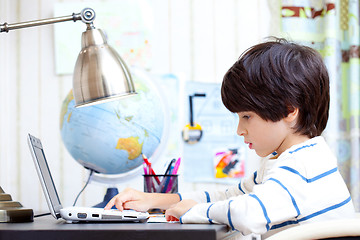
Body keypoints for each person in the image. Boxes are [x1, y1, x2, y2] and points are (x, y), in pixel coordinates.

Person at [105, 38, 355, 238]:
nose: (240, 130)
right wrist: (154, 200)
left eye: (247, 116)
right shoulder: (289, 160)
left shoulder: (303, 166)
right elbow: (230, 197)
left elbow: (249, 214)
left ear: (289, 111)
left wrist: (193, 212)